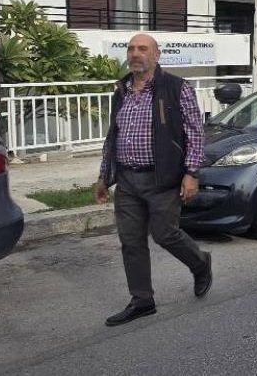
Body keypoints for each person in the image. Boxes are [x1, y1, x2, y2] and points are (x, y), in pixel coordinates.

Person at [92, 33, 212, 327]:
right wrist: (104, 176)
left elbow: (194, 132)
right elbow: (113, 135)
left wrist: (191, 173)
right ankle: (142, 300)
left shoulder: (176, 87)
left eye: (142, 49)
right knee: (130, 241)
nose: (135, 54)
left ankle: (200, 264)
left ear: (157, 55)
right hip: (127, 180)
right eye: (131, 49)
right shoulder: (121, 90)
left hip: (162, 178)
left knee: (165, 234)